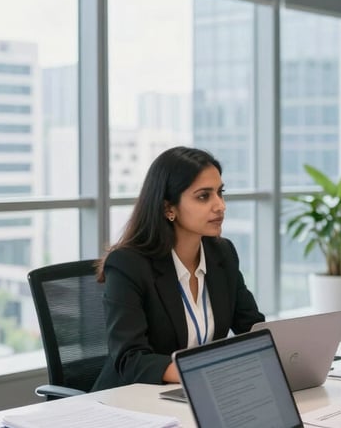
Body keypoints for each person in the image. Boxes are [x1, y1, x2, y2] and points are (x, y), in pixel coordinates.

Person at [92, 147, 265, 391]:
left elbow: (251, 328)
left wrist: (287, 354)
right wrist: (203, 372)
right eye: (204, 196)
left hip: (198, 393)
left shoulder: (222, 254)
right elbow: (131, 360)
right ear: (168, 208)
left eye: (220, 193)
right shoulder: (128, 264)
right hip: (131, 401)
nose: (220, 206)